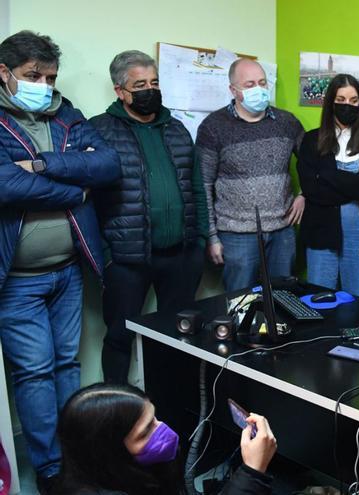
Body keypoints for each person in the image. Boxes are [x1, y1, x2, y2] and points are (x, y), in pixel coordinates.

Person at [0, 31, 121, 493]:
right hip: (17, 278)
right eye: (34, 76)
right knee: (33, 371)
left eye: (50, 76)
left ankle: (77, 455)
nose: (44, 85)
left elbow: (107, 166)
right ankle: (50, 468)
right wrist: (75, 184)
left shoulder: (65, 111)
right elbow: (6, 187)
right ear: (5, 73)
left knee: (67, 364)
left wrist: (40, 165)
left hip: (69, 269)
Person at [90, 50, 208, 384]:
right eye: (139, 84)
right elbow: (90, 199)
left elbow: (196, 187)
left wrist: (198, 241)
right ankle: (116, 411)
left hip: (181, 255)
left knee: (179, 334)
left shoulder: (176, 128)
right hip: (126, 260)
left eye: (154, 82)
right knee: (119, 336)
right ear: (120, 91)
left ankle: (173, 406)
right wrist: (108, 255)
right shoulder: (99, 131)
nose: (149, 90)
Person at [198, 58, 305, 291]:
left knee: (283, 303)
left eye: (262, 82)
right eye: (249, 85)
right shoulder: (213, 126)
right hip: (236, 235)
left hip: (282, 231)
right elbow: (203, 185)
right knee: (240, 305)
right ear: (233, 90)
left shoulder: (287, 122)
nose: (258, 89)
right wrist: (212, 237)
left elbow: (313, 163)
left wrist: (303, 194)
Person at [58, 383, 276, 494]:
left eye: (155, 418)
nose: (163, 430)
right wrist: (252, 472)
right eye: (145, 432)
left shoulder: (125, 474)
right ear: (111, 454)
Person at [297, 74, 359, 298]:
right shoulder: (311, 140)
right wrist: (357, 180)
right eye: (342, 99)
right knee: (319, 297)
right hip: (321, 232)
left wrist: (327, 176)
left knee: (357, 299)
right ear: (331, 102)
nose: (348, 105)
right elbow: (312, 191)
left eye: (354, 101)